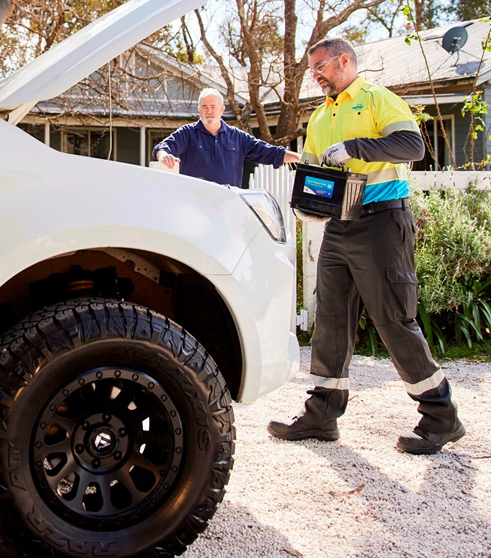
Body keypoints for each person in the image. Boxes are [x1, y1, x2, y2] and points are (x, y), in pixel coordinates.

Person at [268, 39, 465, 455]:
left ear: (345, 60)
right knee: (331, 320)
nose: (317, 75)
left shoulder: (378, 99)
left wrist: (357, 148)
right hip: (340, 228)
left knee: (393, 318)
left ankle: (441, 416)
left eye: (321, 66)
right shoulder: (320, 116)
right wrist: (310, 205)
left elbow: (413, 146)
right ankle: (322, 415)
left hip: (382, 222)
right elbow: (320, 172)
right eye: (312, 70)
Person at [153, 88, 299, 186]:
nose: (209, 111)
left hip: (228, 206)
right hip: (195, 206)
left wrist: (299, 158)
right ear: (199, 110)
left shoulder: (237, 137)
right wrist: (164, 156)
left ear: (222, 109)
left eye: (213, 107)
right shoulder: (187, 133)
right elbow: (162, 148)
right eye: (204, 107)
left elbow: (269, 152)